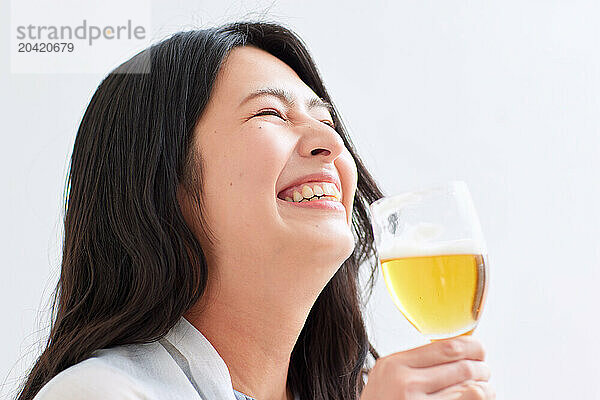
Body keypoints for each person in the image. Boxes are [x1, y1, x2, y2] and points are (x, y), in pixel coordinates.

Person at [17, 21, 494, 400]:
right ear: (161, 181)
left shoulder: (364, 390)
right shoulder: (98, 394)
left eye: (327, 121)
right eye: (270, 113)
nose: (331, 142)